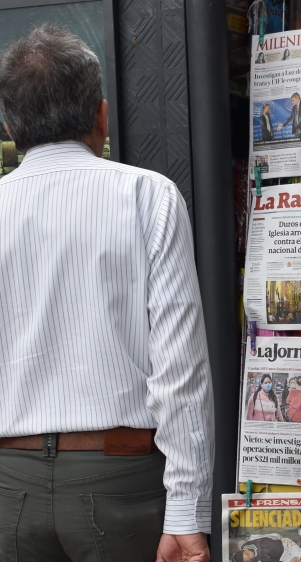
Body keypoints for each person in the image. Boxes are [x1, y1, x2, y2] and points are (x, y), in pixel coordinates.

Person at [0, 26, 213, 561]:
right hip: (122, 481)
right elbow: (180, 371)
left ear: (9, 126)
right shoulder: (148, 197)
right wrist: (186, 511)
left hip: (7, 486)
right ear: (102, 116)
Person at [233, 534, 301, 562]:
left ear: (244, 550)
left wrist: (278, 537)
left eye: (248, 554)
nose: (251, 556)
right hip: (282, 558)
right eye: (250, 560)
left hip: (284, 544)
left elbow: (262, 536)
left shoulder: (248, 544)